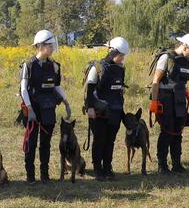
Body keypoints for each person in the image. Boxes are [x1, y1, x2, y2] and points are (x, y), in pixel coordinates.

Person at [20, 30, 72, 184]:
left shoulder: (55, 66)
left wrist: (66, 102)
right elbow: (23, 89)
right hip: (33, 110)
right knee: (31, 143)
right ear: (41, 46)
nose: (52, 49)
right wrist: (29, 109)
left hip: (48, 109)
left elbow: (56, 86)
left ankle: (45, 174)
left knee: (45, 143)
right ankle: (30, 176)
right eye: (50, 46)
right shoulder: (28, 65)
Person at [150, 33, 189, 174]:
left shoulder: (188, 61)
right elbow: (156, 81)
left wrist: (185, 91)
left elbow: (182, 80)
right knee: (167, 132)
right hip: (165, 99)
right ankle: (162, 165)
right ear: (185, 46)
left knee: (178, 132)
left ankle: (177, 164)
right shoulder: (166, 57)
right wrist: (154, 102)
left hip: (179, 100)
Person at [84, 37, 129, 181]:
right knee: (100, 140)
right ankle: (98, 169)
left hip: (115, 111)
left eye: (123, 56)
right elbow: (89, 90)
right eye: (120, 55)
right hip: (99, 112)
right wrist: (89, 107)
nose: (122, 59)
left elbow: (119, 90)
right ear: (111, 51)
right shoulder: (96, 67)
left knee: (110, 141)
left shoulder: (120, 69)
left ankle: (107, 167)